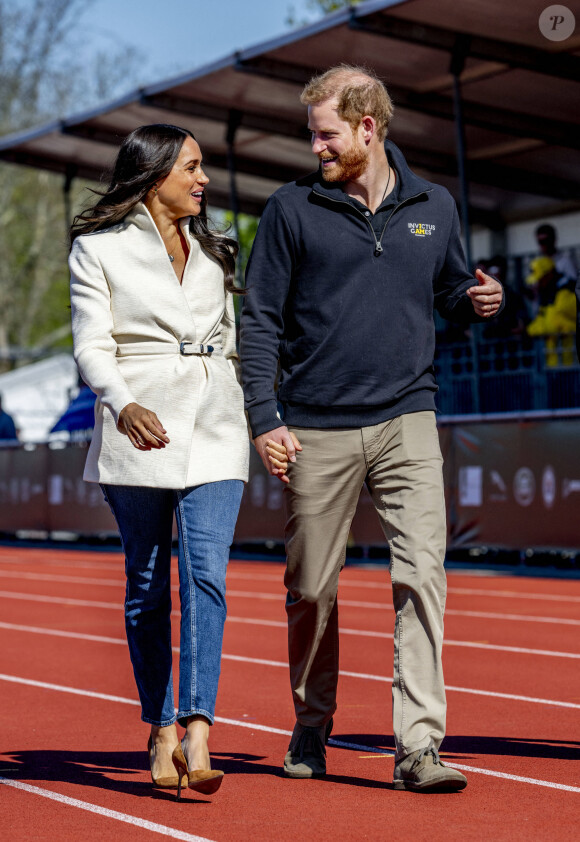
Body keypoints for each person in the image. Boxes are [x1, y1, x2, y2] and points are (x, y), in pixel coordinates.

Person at [240, 66, 503, 793]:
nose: (315, 146)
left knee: (423, 575)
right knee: (312, 589)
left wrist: (477, 299)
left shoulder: (435, 205)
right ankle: (311, 722)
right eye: (312, 134)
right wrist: (265, 417)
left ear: (368, 127)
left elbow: (448, 290)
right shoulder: (291, 209)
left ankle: (418, 745)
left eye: (326, 133)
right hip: (315, 426)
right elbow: (258, 319)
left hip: (409, 416)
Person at [69, 124, 257, 799]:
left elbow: (237, 344)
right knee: (147, 588)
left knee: (205, 576)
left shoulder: (216, 252)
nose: (202, 180)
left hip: (215, 424)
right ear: (152, 176)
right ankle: (161, 727)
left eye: (203, 167)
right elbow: (92, 345)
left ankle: (200, 727)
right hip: (138, 427)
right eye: (191, 168)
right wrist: (121, 403)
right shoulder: (98, 250)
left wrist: (257, 416)